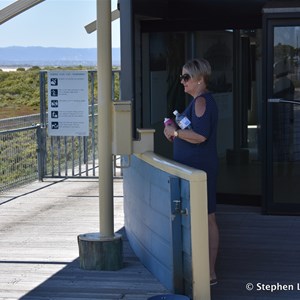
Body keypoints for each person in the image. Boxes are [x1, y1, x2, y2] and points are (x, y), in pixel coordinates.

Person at [164, 58, 219, 286]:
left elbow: (200, 136)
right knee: (205, 218)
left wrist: (175, 133)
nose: (182, 81)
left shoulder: (201, 102)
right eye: (181, 77)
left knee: (207, 219)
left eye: (186, 77)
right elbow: (193, 129)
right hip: (197, 168)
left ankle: (209, 273)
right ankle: (206, 270)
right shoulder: (198, 101)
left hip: (200, 169)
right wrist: (174, 126)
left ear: (200, 79)